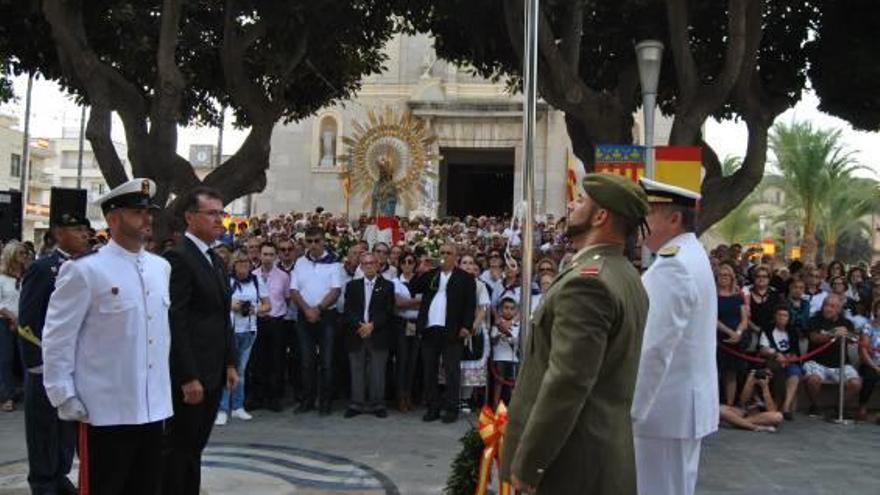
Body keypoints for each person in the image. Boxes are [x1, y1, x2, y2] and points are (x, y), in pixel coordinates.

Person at [501, 173, 649, 495]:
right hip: (597, 453)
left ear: (600, 216)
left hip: (570, 465)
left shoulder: (589, 283)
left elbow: (567, 382)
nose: (571, 203)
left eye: (581, 200)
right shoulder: (624, 274)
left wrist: (531, 464)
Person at [42, 179, 172, 494]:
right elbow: (58, 336)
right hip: (105, 409)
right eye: (136, 212)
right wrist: (63, 393)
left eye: (148, 212)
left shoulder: (160, 267)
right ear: (113, 219)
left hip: (153, 406)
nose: (147, 219)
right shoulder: (86, 270)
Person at [632, 178, 718, 495]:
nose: (642, 224)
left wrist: (632, 409)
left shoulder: (674, 266)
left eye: (649, 215)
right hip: (676, 408)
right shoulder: (689, 255)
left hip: (662, 411)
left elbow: (653, 349)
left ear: (674, 218)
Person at [164, 186, 239, 495]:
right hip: (193, 374)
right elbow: (176, 321)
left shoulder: (215, 259)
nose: (219, 220)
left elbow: (223, 316)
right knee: (181, 448)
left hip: (214, 369)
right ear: (190, 217)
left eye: (221, 213)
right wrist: (188, 376)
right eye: (211, 213)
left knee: (195, 446)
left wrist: (231, 361)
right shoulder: (179, 257)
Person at [16, 212, 89, 494]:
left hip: (74, 364)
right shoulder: (43, 268)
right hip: (47, 365)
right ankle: (44, 482)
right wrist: (40, 363)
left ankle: (59, 475)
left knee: (65, 431)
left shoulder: (86, 267)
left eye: (85, 229)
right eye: (77, 229)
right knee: (44, 429)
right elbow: (28, 322)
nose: (84, 234)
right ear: (59, 234)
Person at [409, 243, 476, 424]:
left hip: (452, 329)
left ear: (456, 257)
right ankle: (433, 407)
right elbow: (413, 288)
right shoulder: (431, 275)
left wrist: (466, 326)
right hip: (430, 328)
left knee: (451, 370)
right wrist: (420, 269)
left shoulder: (465, 278)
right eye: (442, 252)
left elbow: (470, 305)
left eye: (449, 253)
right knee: (429, 370)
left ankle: (451, 408)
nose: (445, 256)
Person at [289, 226, 342, 415]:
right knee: (306, 361)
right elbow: (293, 290)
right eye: (309, 241)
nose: (313, 245)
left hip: (326, 315)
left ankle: (325, 402)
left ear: (323, 241)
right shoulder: (300, 262)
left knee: (326, 362)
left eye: (317, 241)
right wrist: (307, 310)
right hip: (304, 316)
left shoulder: (334, 262)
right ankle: (307, 400)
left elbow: (335, 291)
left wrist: (318, 309)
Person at [216, 251, 269, 426]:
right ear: (233, 264)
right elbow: (216, 302)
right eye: (239, 262)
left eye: (246, 262)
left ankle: (238, 406)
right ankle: (222, 408)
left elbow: (268, 305)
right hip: (230, 331)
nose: (243, 265)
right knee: (227, 369)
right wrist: (231, 305)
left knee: (241, 371)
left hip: (249, 330)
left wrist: (254, 309)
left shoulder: (256, 280)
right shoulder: (226, 280)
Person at [343, 252, 395, 418]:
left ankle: (377, 404)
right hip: (357, 332)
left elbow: (388, 311)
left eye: (372, 263)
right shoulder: (352, 286)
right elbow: (348, 310)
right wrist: (360, 325)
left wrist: (372, 325)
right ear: (361, 266)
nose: (369, 266)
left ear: (378, 265)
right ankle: (356, 404)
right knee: (356, 368)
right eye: (365, 263)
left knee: (378, 370)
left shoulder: (387, 286)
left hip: (378, 332)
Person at [802, 293, 861, 417]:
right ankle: (815, 406)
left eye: (832, 306)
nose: (828, 308)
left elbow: (854, 340)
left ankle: (839, 407)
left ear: (839, 309)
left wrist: (847, 334)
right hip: (816, 362)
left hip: (840, 363)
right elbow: (814, 338)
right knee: (813, 380)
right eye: (826, 305)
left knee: (856, 383)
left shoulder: (846, 322)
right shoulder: (814, 320)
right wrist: (832, 333)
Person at [250, 242, 290, 412]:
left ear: (276, 256)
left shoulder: (283, 276)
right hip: (258, 321)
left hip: (276, 321)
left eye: (271, 254)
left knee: (276, 360)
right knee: (258, 360)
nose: (267, 258)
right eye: (264, 254)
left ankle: (274, 397)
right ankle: (258, 396)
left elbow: (287, 298)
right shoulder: (252, 275)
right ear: (259, 255)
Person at [757, 305, 802, 420]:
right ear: (775, 316)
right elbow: (763, 349)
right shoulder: (767, 329)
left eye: (785, 315)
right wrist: (776, 354)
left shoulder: (792, 331)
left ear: (788, 318)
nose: (782, 318)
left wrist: (788, 358)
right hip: (772, 361)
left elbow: (796, 352)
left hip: (789, 361)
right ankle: (774, 404)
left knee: (795, 373)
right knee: (777, 370)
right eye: (780, 315)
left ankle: (786, 406)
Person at [0, 241, 29, 412]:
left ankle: (28, 394)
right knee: (6, 359)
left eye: (25, 253)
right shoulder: (2, 278)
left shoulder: (28, 276)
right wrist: (12, 317)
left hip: (25, 322)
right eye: (20, 253)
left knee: (26, 358)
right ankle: (7, 396)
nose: (24, 256)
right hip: (4, 321)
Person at [715, 262, 749, 406]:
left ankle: (729, 404)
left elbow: (744, 319)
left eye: (727, 275)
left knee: (731, 373)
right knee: (717, 372)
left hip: (736, 339)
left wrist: (738, 333)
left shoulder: (737, 296)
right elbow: (712, 318)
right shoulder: (712, 295)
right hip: (719, 339)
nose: (724, 278)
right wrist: (729, 332)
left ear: (732, 277)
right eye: (721, 275)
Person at [391, 252, 421, 412]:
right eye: (405, 262)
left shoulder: (420, 281)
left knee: (413, 361)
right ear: (400, 264)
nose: (408, 265)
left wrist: (407, 303)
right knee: (402, 360)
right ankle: (400, 396)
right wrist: (416, 301)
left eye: (411, 262)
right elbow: (397, 303)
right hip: (401, 324)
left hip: (416, 324)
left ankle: (408, 394)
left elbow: (425, 303)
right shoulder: (395, 282)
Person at [719, 369, 783, 432]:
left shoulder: (776, 386)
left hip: (761, 416)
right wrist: (749, 382)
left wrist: (765, 388)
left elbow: (772, 410)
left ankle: (736, 422)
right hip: (744, 412)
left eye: (768, 374)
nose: (763, 376)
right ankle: (754, 427)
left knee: (778, 416)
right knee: (721, 409)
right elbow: (743, 401)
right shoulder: (749, 379)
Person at [490, 297, 519, 407]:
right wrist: (498, 336)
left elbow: (518, 342)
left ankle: (513, 408)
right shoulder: (497, 324)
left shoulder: (518, 324)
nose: (509, 311)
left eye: (512, 308)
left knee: (513, 384)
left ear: (515, 311)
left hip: (513, 358)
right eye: (506, 308)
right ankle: (495, 407)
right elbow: (492, 341)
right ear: (501, 309)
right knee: (498, 384)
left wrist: (509, 338)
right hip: (499, 357)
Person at [857, 299, 880, 422]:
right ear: (875, 310)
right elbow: (863, 350)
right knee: (870, 376)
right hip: (870, 364)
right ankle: (862, 407)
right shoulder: (867, 326)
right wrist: (875, 367)